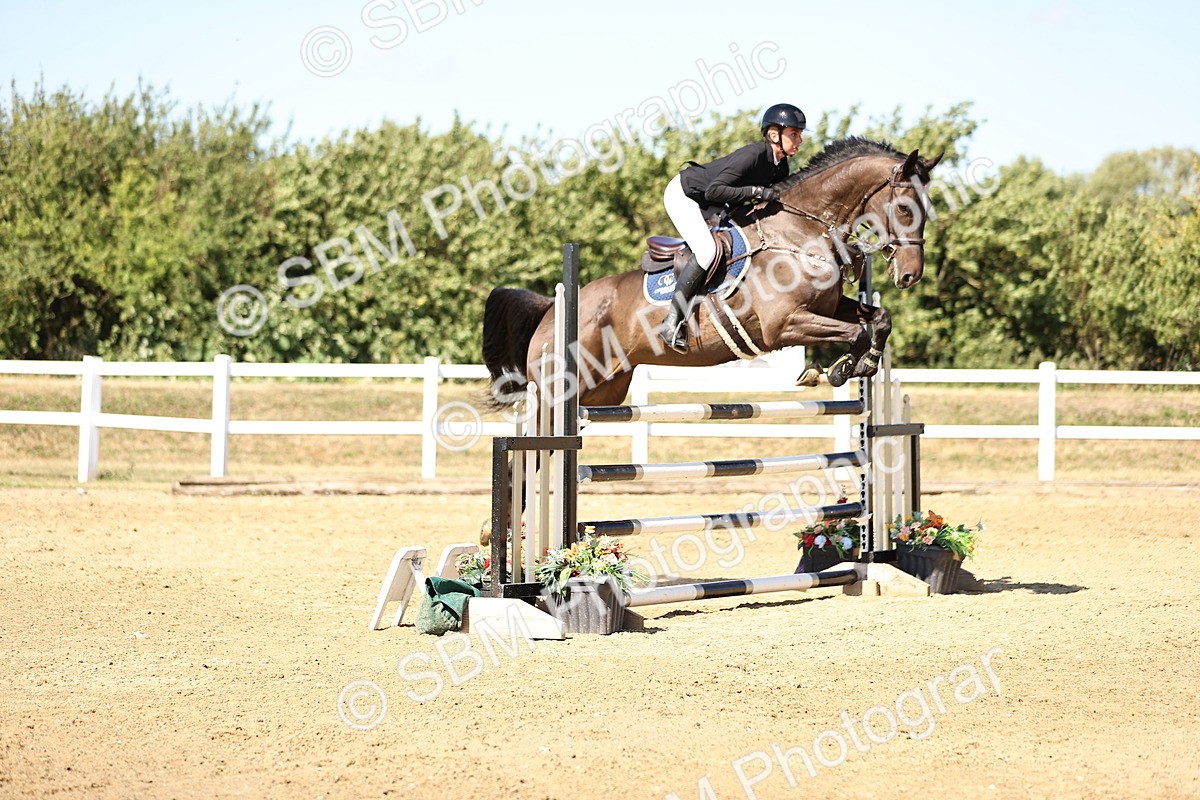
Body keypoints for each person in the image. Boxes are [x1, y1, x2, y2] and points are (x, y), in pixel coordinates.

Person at [659, 102, 806, 353]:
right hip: (686, 195)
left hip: (714, 204)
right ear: (774, 135)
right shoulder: (753, 155)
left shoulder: (780, 167)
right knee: (706, 251)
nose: (799, 140)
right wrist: (757, 191)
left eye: (799, 134)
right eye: (794, 134)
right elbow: (714, 190)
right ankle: (671, 323)